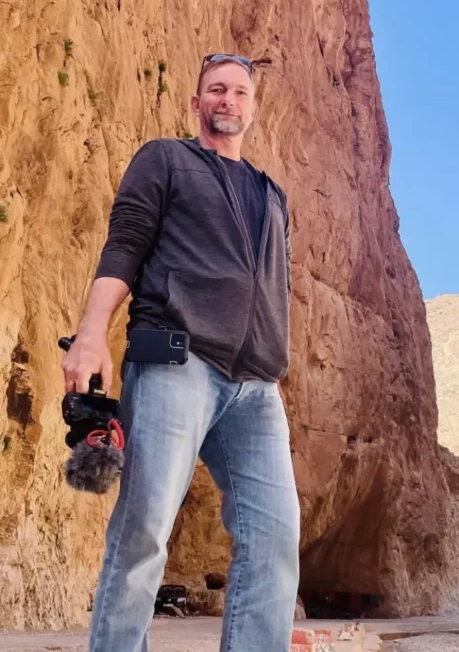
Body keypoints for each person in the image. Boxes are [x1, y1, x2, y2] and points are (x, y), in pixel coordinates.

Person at [62, 52, 300, 652]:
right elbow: (126, 245)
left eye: (240, 92)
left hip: (257, 387)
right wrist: (93, 332)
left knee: (274, 538)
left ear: (253, 106)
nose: (228, 100)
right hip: (178, 362)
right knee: (144, 527)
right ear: (196, 103)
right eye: (216, 90)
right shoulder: (166, 159)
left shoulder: (273, 194)